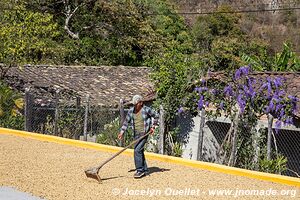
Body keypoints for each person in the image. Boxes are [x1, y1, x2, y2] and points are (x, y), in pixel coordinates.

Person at [118, 94, 159, 178]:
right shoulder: (131, 111)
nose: (134, 106)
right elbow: (126, 122)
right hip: (136, 134)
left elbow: (156, 116)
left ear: (140, 103)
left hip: (144, 133)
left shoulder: (146, 110)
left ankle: (139, 170)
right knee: (140, 151)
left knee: (137, 151)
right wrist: (122, 132)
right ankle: (145, 169)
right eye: (134, 104)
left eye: (136, 104)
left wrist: (153, 127)